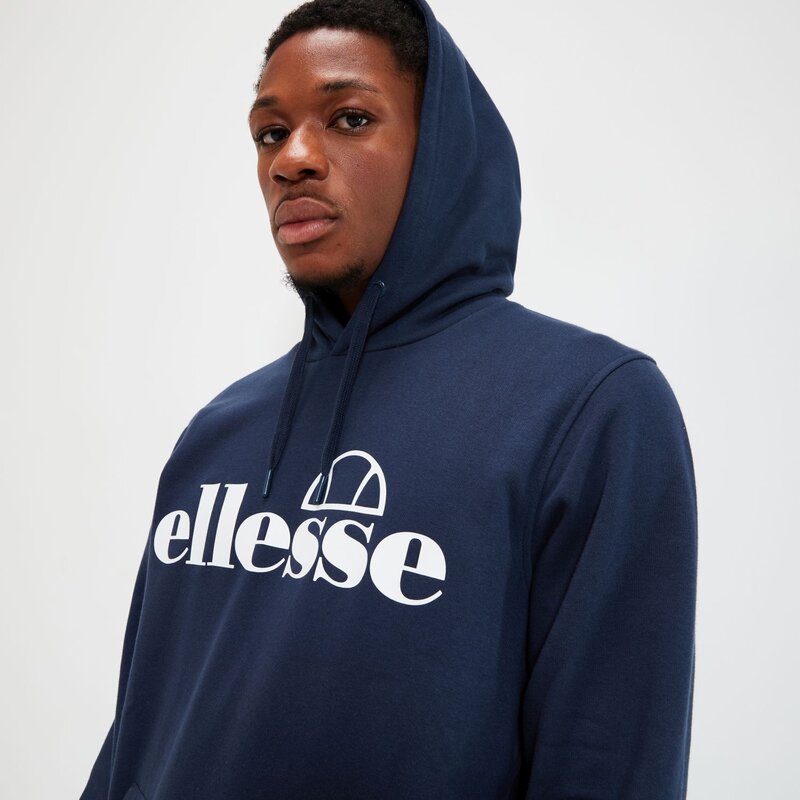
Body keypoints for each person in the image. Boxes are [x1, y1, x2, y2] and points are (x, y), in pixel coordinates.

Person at [81, 0, 698, 797]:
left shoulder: (589, 409)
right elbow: (139, 735)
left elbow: (606, 761)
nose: (291, 159)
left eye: (349, 118)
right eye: (270, 132)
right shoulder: (218, 433)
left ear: (439, 149)